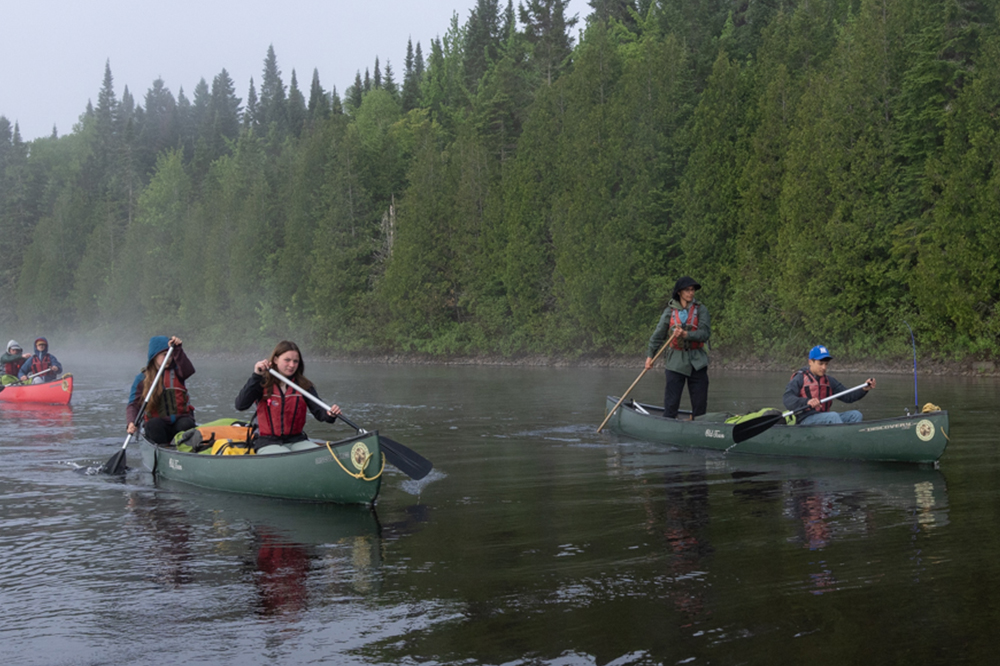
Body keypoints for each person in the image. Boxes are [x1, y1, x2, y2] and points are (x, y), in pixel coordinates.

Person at [235, 340, 341, 451]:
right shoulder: (261, 382)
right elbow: (240, 405)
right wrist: (256, 375)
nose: (292, 365)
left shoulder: (304, 386)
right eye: (287, 360)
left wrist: (330, 414)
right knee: (283, 454)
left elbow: (320, 412)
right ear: (275, 360)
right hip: (267, 441)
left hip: (297, 440)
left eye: (295, 361)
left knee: (316, 453)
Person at [644, 276, 711, 419]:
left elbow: (705, 333)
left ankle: (699, 426)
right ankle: (668, 425)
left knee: (700, 405)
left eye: (692, 290)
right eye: (687, 290)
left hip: (697, 361)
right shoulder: (669, 312)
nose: (691, 293)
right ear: (679, 292)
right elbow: (658, 335)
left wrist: (686, 334)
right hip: (675, 362)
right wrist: (650, 356)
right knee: (671, 404)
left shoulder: (701, 309)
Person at [127, 335, 197, 444]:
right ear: (154, 356)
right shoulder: (142, 378)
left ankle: (184, 450)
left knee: (186, 424)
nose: (168, 358)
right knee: (154, 424)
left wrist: (178, 349)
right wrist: (131, 422)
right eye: (165, 355)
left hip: (179, 422)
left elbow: (189, 370)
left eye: (170, 355)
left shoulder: (178, 372)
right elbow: (134, 404)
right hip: (158, 427)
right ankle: (163, 450)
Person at [783, 345, 876, 425]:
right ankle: (843, 440)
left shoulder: (829, 381)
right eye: (821, 364)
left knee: (856, 415)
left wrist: (864, 389)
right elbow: (787, 399)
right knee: (833, 416)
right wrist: (807, 401)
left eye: (826, 364)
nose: (824, 367)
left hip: (825, 419)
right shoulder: (799, 378)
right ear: (810, 362)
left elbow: (849, 397)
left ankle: (853, 439)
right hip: (805, 420)